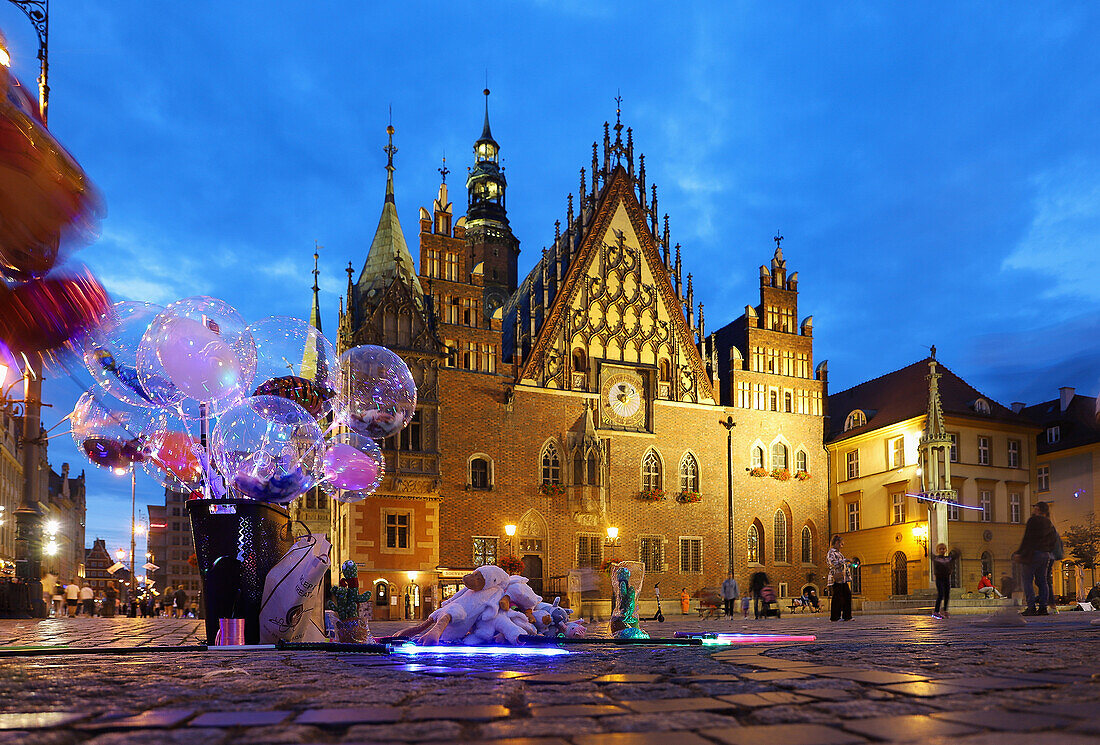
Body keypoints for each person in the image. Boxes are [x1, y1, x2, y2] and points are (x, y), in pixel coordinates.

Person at [1013, 500, 1056, 616]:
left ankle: (1031, 607)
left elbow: (1027, 538)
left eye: (1035, 508)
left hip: (1033, 554)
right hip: (1045, 554)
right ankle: (1043, 608)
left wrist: (1020, 552)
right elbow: (1053, 541)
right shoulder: (1049, 523)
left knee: (1027, 580)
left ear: (1038, 509)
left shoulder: (1033, 521)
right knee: (1042, 581)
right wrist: (1048, 550)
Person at [827, 534, 853, 621]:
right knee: (837, 597)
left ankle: (847, 616)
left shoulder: (839, 553)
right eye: (841, 544)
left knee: (847, 596)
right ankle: (835, 617)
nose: (842, 546)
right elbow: (833, 563)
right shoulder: (831, 553)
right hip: (836, 578)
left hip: (843, 578)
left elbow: (842, 564)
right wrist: (845, 560)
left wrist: (850, 565)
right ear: (837, 543)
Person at [931, 544, 953, 619]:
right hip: (939, 578)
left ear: (946, 550)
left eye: (943, 549)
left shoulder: (948, 559)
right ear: (937, 550)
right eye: (940, 549)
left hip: (946, 578)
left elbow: (953, 559)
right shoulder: (936, 559)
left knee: (947, 594)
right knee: (940, 594)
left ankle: (945, 610)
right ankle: (936, 611)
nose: (942, 550)